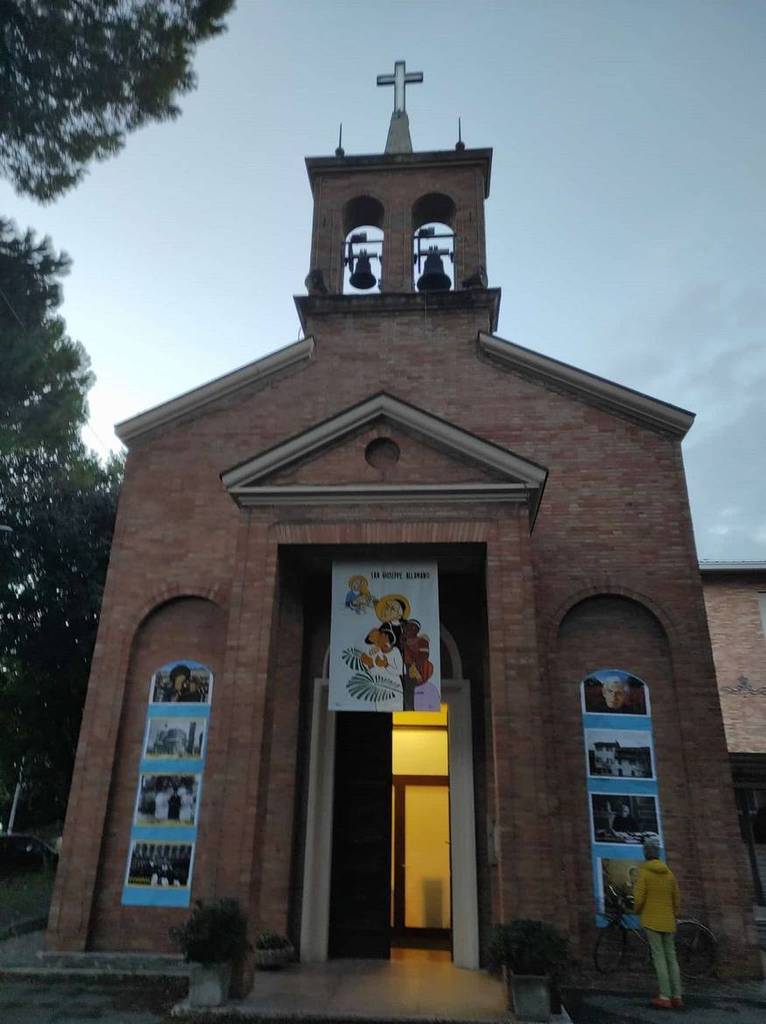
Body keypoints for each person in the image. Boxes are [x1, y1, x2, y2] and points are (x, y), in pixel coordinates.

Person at [633, 839, 682, 1010]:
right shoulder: (669, 874)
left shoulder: (644, 873)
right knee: (671, 957)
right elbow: (677, 899)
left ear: (646, 853)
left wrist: (636, 911)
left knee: (659, 957)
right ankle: (677, 995)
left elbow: (638, 899)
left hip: (652, 920)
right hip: (668, 920)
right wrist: (673, 913)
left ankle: (665, 996)